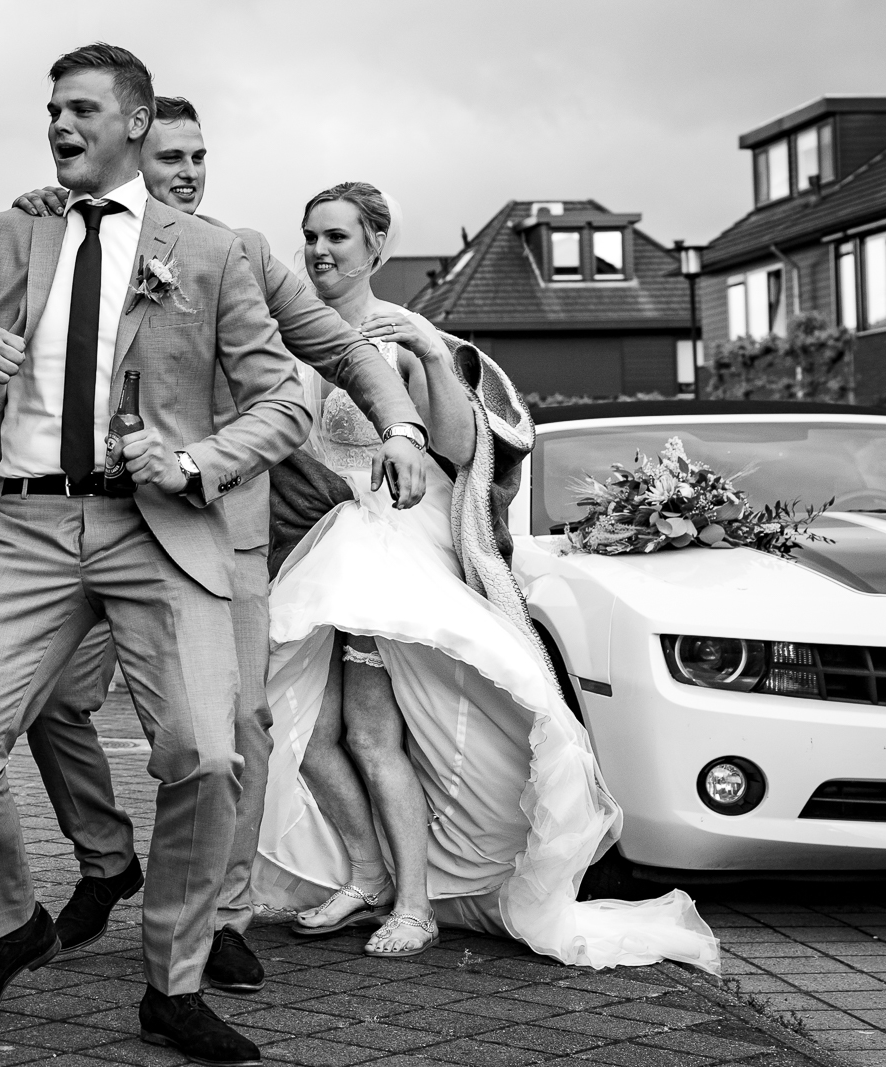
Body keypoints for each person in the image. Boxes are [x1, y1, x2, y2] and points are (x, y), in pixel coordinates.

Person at [0, 44, 310, 1067]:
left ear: (132, 122)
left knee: (205, 752)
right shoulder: (5, 234)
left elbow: (284, 401)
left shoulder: (208, 252)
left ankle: (174, 983)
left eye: (80, 109)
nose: (59, 126)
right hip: (26, 528)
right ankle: (8, 924)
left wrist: (194, 460)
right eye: (52, 111)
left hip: (156, 527)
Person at [8, 97, 428, 994]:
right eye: (171, 157)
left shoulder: (240, 253)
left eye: (200, 156)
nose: (191, 173)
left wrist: (402, 426)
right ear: (128, 158)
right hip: (89, 526)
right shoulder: (68, 237)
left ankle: (225, 913)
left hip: (217, 527)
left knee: (238, 727)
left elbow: (344, 350)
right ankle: (106, 859)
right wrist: (37, 219)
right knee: (48, 698)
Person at [255, 181, 723, 973]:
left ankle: (413, 904)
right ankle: (366, 873)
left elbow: (457, 447)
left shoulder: (401, 337)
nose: (318, 250)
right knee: (300, 726)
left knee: (372, 734)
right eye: (310, 235)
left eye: (337, 236)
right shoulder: (296, 337)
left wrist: (434, 352)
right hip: (315, 552)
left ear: (376, 246)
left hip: (385, 553)